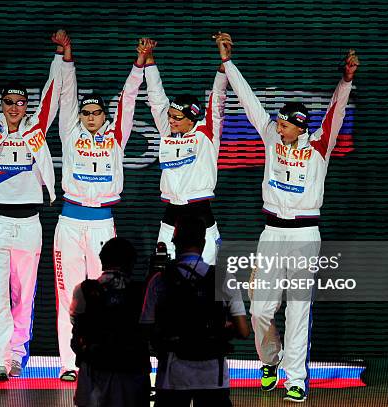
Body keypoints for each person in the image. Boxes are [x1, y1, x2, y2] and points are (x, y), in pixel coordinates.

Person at [216, 32, 360, 402]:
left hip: (305, 235)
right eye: (277, 123)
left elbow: (336, 113)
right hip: (271, 234)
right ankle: (271, 358)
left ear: (300, 126)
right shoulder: (270, 138)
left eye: (284, 125)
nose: (277, 128)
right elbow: (249, 103)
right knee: (261, 308)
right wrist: (228, 63)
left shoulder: (318, 146)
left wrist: (346, 81)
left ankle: (296, 378)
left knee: (298, 308)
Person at [51, 31, 149, 381]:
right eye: (86, 112)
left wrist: (138, 66)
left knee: (108, 293)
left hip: (103, 224)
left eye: (96, 112)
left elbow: (129, 99)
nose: (90, 117)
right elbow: (65, 97)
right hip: (70, 222)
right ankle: (69, 363)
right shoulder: (69, 133)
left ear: (104, 115)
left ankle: (105, 353)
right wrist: (67, 58)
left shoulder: (115, 136)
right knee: (69, 294)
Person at [0, 10, 63, 381]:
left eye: (20, 103)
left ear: (26, 107)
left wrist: (60, 56)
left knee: (24, 296)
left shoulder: (36, 130)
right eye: (8, 102)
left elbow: (53, 96)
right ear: (1, 104)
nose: (13, 108)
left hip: (29, 224)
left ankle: (15, 356)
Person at [141, 215, 250, 407]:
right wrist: (219, 328)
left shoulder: (159, 280)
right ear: (203, 242)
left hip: (172, 377)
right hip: (213, 377)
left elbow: (145, 331)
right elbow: (243, 331)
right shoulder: (223, 277)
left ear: (175, 242)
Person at [143, 36, 228, 265]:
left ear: (192, 119)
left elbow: (218, 100)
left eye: (177, 118)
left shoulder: (206, 132)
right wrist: (149, 61)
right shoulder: (167, 130)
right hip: (172, 213)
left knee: (206, 275)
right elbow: (157, 100)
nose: (171, 121)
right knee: (164, 273)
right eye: (170, 116)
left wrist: (224, 66)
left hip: (200, 213)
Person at [70, 237, 151, 406]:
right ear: (131, 263)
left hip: (94, 373)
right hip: (131, 374)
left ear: (102, 260)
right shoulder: (143, 292)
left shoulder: (83, 290)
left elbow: (76, 324)